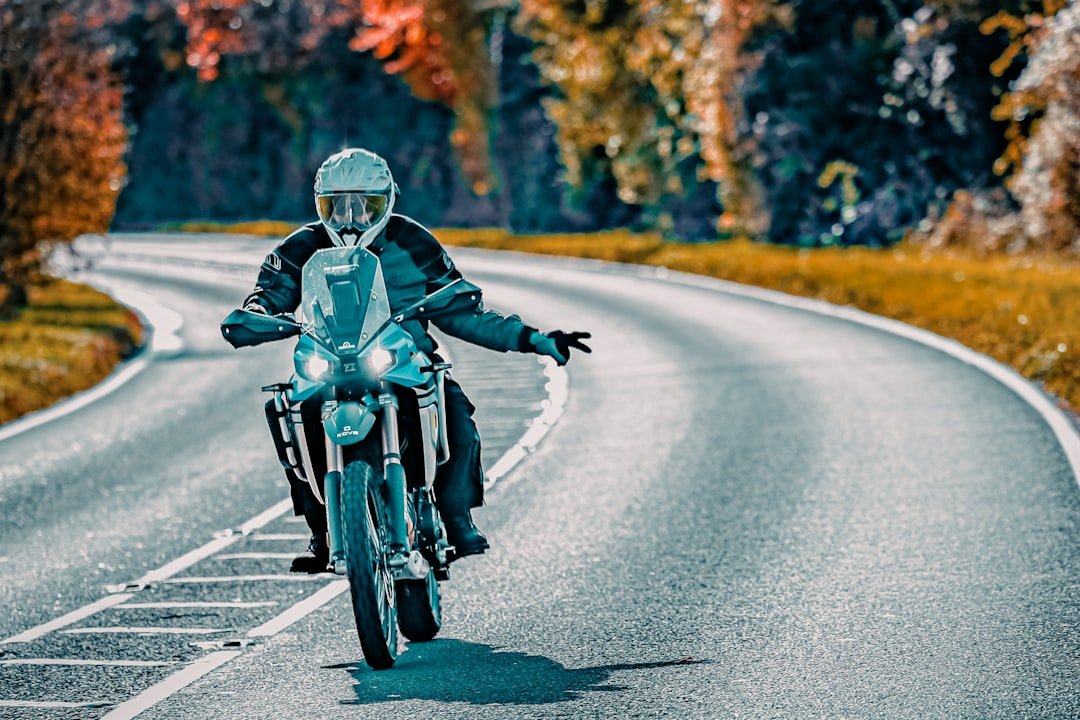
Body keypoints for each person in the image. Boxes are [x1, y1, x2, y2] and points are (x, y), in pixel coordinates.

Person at [240, 148, 591, 572]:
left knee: (455, 410)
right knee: (287, 412)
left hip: (400, 358)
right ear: (320, 205)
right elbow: (268, 293)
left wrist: (532, 338)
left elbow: (461, 309)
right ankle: (321, 529)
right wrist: (256, 315)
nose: (350, 220)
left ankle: (457, 517)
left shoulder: (412, 240)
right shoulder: (300, 248)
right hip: (328, 357)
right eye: (336, 206)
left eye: (365, 206)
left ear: (387, 202)